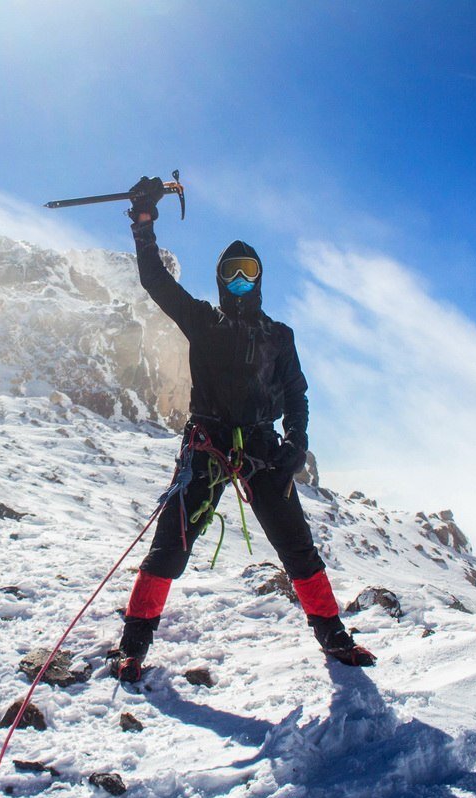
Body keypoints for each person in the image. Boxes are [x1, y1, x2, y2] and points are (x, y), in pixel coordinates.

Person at [115, 176, 376, 682]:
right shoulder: (202, 321)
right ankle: (133, 646)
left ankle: (335, 638)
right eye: (231, 273)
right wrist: (144, 220)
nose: (239, 282)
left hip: (262, 447)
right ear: (220, 279)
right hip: (207, 444)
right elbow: (155, 281)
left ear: (259, 279)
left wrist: (296, 446)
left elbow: (296, 394)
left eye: (247, 272)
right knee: (170, 544)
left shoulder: (280, 336)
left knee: (297, 546)